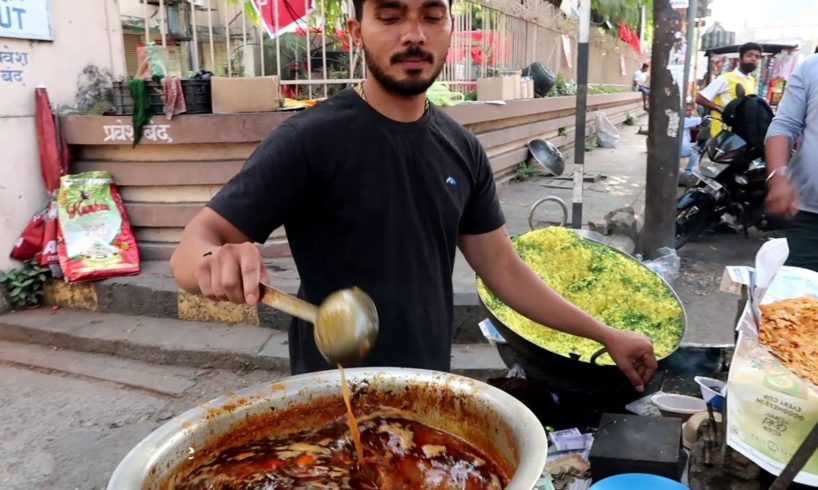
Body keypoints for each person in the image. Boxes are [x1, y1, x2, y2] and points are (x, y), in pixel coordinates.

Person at [170, 0, 657, 392]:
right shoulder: (308, 140)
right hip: (331, 394)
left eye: (430, 15)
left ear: (449, 26)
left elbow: (505, 271)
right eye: (389, 15)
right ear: (356, 29)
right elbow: (194, 246)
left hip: (429, 387)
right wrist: (214, 261)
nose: (413, 34)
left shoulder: (462, 148)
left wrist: (605, 334)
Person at [765, 54, 818, 272]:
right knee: (797, 301)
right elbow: (784, 126)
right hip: (810, 216)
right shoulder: (811, 68)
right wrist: (778, 177)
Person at [697, 42, 763, 138]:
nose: (753, 59)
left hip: (739, 132)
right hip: (722, 133)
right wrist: (721, 109)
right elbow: (700, 98)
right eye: (749, 55)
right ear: (740, 59)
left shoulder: (751, 80)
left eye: (757, 57)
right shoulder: (725, 78)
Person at [681, 102, 703, 175]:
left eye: (691, 110)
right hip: (679, 148)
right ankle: (688, 172)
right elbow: (699, 120)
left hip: (683, 146)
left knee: (698, 146)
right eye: (687, 110)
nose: (690, 112)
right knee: (696, 150)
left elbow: (695, 127)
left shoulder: (688, 119)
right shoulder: (682, 120)